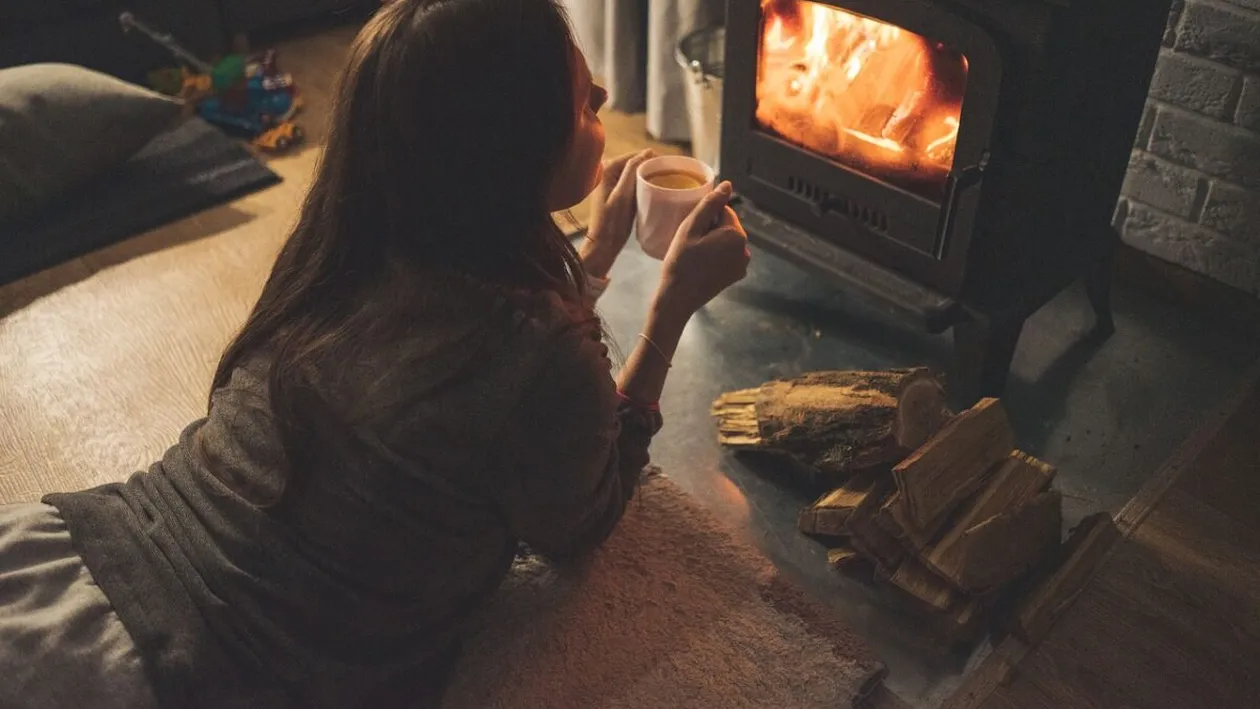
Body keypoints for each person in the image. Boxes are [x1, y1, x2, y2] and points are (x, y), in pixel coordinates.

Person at [0, 1, 750, 707]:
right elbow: (579, 523)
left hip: (80, 556)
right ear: (508, 150)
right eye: (584, 101)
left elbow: (482, 375)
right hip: (183, 666)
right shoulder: (540, 357)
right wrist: (669, 311)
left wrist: (593, 260)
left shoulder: (346, 248)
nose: (606, 93)